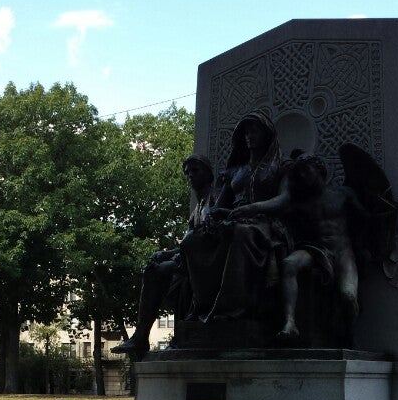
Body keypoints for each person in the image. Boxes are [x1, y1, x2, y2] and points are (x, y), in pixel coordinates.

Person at [179, 110, 291, 322]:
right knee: (192, 241)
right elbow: (221, 202)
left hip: (265, 224)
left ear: (266, 133)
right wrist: (214, 215)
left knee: (239, 233)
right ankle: (203, 305)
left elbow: (284, 199)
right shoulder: (235, 171)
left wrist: (253, 208)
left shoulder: (281, 167)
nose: (249, 135)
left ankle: (233, 308)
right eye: (246, 132)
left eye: (254, 130)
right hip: (234, 219)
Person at [111, 154, 214, 359]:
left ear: (208, 174)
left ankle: (141, 337)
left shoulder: (216, 198)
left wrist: (177, 256)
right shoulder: (199, 206)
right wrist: (166, 253)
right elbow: (188, 242)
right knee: (154, 265)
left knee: (160, 272)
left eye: (196, 171)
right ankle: (141, 337)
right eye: (188, 173)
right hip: (192, 261)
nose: (190, 176)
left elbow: (208, 239)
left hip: (209, 263)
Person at [276, 153, 367, 345]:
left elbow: (366, 219)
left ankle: (349, 334)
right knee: (289, 263)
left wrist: (387, 212)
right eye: (299, 173)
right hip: (315, 249)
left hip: (343, 252)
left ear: (319, 169)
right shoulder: (299, 201)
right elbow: (278, 213)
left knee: (348, 297)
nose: (303, 176)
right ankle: (290, 322)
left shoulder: (344, 194)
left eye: (306, 170)